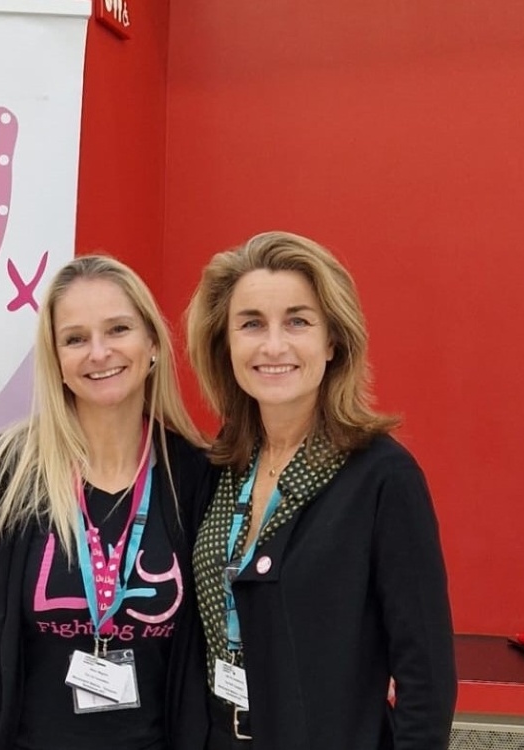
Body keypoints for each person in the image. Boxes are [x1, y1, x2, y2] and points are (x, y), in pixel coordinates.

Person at [185, 231, 456, 749]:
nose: (273, 345)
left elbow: (427, 678)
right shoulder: (220, 467)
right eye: (250, 324)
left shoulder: (382, 478)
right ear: (225, 343)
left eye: (297, 321)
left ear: (332, 341)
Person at [0, 255, 216, 750]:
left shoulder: (197, 476)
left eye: (118, 329)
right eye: (76, 338)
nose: (99, 352)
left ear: (152, 343)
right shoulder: (8, 470)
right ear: (56, 359)